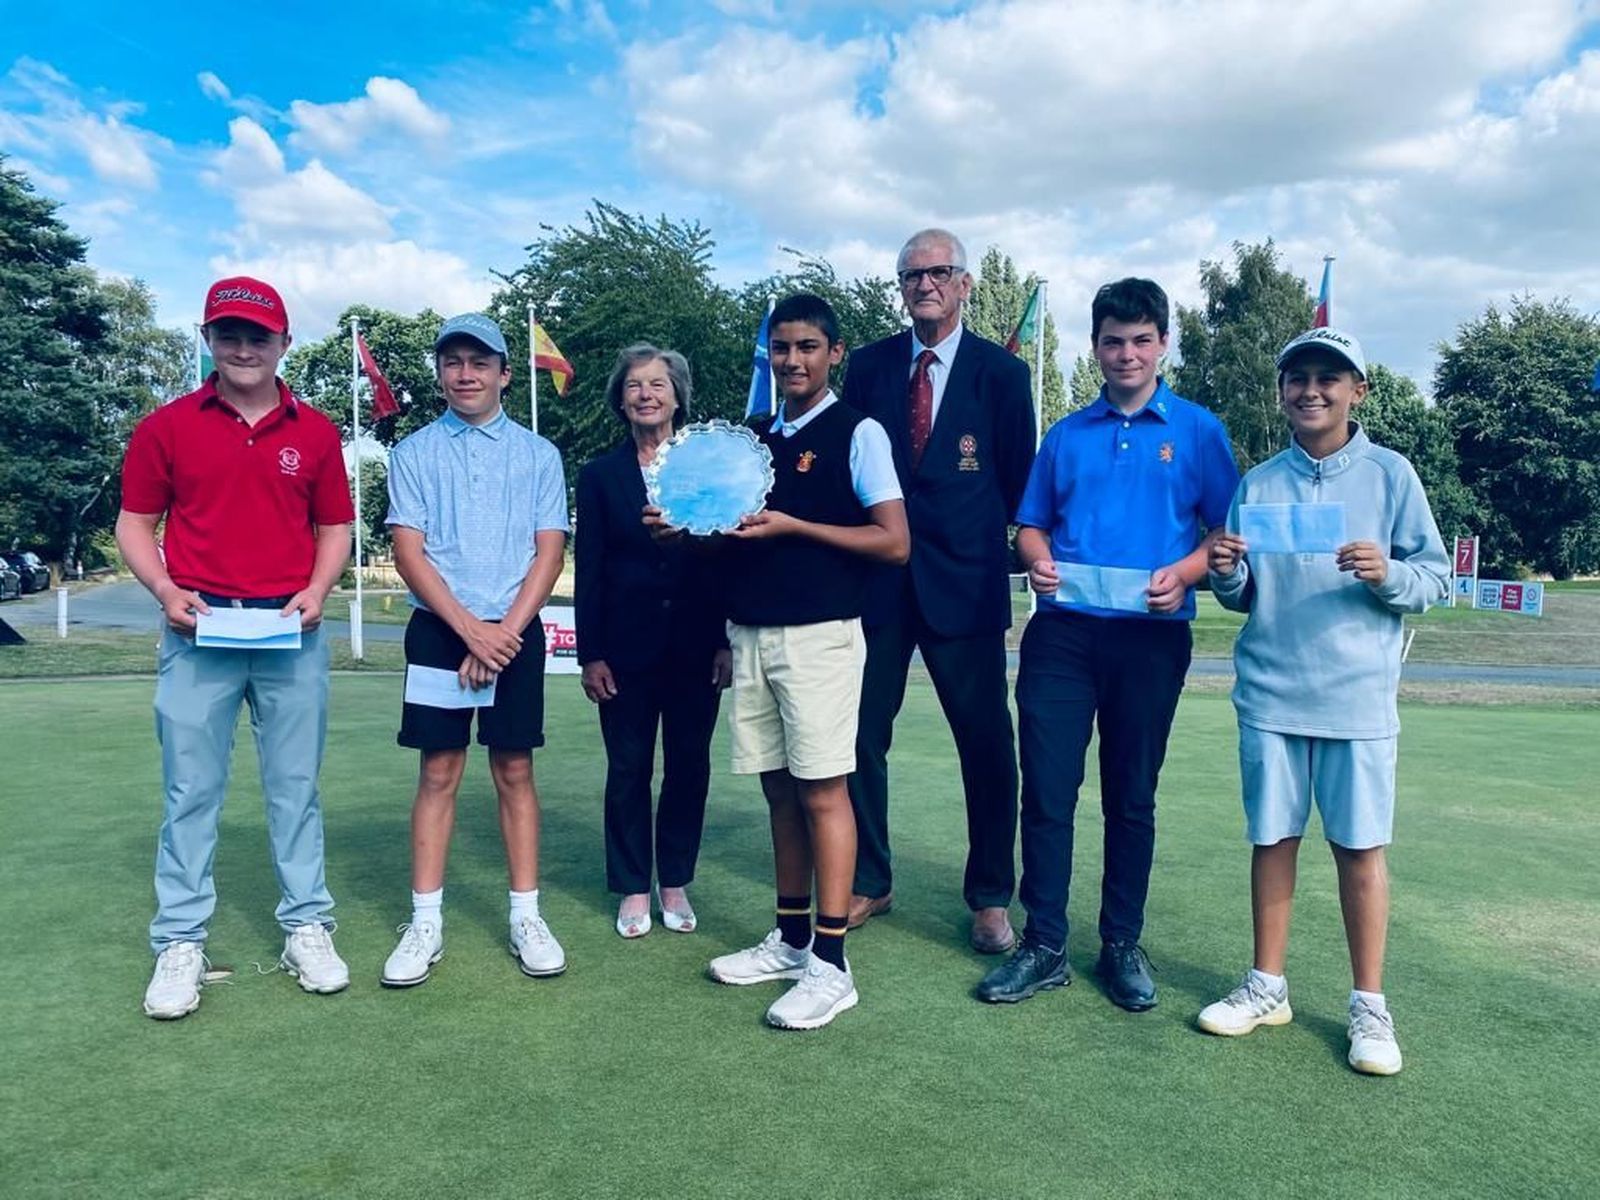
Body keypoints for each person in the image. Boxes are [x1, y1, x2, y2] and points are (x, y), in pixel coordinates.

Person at [978, 278, 1238, 1011]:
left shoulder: (1197, 431)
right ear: (1095, 347)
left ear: (1163, 344)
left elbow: (1224, 535)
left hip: (1152, 640)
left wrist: (1186, 573)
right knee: (1050, 792)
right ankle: (1045, 944)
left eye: (1141, 339)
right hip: (1062, 635)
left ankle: (1121, 943)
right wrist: (1035, 555)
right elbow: (1028, 524)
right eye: (1113, 341)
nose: (1126, 353)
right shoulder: (1066, 435)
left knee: (1131, 798)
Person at [1197, 327, 1449, 1076]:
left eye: (1329, 379)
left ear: (1358, 391)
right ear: (1281, 392)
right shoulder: (1260, 482)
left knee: (1359, 849)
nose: (1312, 390)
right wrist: (1225, 571)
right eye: (1298, 378)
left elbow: (1434, 579)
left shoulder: (1391, 475)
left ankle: (1369, 1003)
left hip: (1357, 698)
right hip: (1271, 692)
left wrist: (1388, 575)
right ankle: (1267, 984)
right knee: (1272, 839)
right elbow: (1244, 597)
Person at [117, 276, 354, 1019]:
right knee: (191, 792)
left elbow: (335, 529)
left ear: (284, 343)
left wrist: (319, 591)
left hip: (291, 630)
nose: (244, 348)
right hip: (198, 631)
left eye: (258, 336)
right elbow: (135, 524)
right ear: (208, 338)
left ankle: (306, 926)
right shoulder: (168, 426)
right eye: (229, 335)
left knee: (295, 790)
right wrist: (164, 592)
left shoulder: (315, 432)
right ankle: (180, 941)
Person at [700, 293, 909, 1030]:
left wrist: (795, 525)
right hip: (752, 634)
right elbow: (726, 538)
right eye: (782, 348)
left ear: (834, 353)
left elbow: (893, 541)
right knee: (779, 795)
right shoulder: (749, 440)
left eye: (808, 348)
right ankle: (790, 939)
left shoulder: (860, 432)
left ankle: (830, 962)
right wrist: (679, 526)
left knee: (825, 793)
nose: (793, 360)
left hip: (821, 636)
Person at [842, 228, 1036, 953]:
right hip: (878, 586)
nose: (925, 284)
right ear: (901, 288)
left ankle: (990, 897)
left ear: (964, 285)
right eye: (912, 275)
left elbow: (1017, 481)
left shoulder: (1002, 375)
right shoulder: (867, 368)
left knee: (986, 744)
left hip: (966, 586)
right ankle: (869, 878)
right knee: (860, 735)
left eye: (939, 272)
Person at [379, 313, 570, 988]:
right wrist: (469, 632)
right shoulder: (413, 453)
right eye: (453, 362)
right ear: (439, 372)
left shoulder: (539, 456)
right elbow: (409, 552)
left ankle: (526, 915)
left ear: (504, 374)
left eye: (479, 362)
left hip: (513, 627)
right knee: (439, 771)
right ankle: (425, 920)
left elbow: (549, 553)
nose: (466, 374)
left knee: (514, 769)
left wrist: (501, 637)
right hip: (440, 631)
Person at [576, 344, 731, 939]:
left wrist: (723, 639)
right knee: (628, 768)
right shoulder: (599, 475)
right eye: (635, 385)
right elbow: (589, 569)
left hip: (697, 648)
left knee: (689, 767)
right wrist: (591, 654)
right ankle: (634, 888)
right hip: (623, 651)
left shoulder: (708, 469)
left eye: (658, 384)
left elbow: (725, 564)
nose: (646, 394)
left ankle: (675, 883)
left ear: (677, 395)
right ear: (621, 399)